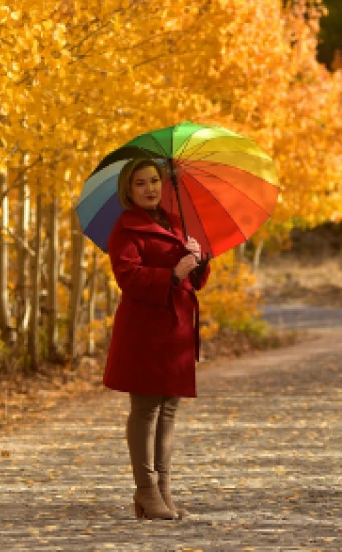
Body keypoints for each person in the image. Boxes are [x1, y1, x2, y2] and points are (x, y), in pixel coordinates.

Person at [104, 158, 210, 520]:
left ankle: (163, 490)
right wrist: (172, 272)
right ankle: (146, 491)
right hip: (145, 330)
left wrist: (199, 258)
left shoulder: (176, 223)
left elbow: (192, 279)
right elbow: (129, 277)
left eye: (155, 181)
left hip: (176, 329)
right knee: (146, 408)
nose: (150, 188)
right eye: (141, 183)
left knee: (169, 409)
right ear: (128, 190)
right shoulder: (126, 229)